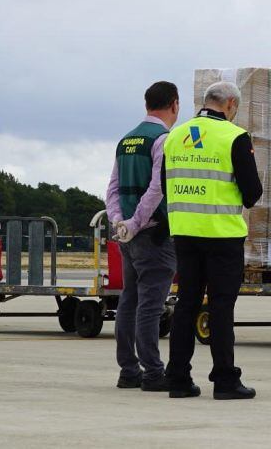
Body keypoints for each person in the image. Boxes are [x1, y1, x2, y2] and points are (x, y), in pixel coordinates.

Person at [163, 81, 262, 400]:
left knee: (186, 304)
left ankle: (177, 378)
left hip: (185, 233)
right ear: (230, 104)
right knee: (221, 307)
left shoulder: (175, 136)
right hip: (222, 235)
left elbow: (166, 185)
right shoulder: (234, 137)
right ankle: (224, 380)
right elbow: (252, 194)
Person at [104, 81, 180, 392]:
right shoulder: (163, 139)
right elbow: (157, 188)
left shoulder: (126, 140)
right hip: (153, 235)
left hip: (127, 236)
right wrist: (135, 223)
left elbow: (112, 189)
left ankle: (128, 370)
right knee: (150, 304)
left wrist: (119, 222)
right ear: (174, 105)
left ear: (147, 104)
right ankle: (152, 372)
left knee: (129, 301)